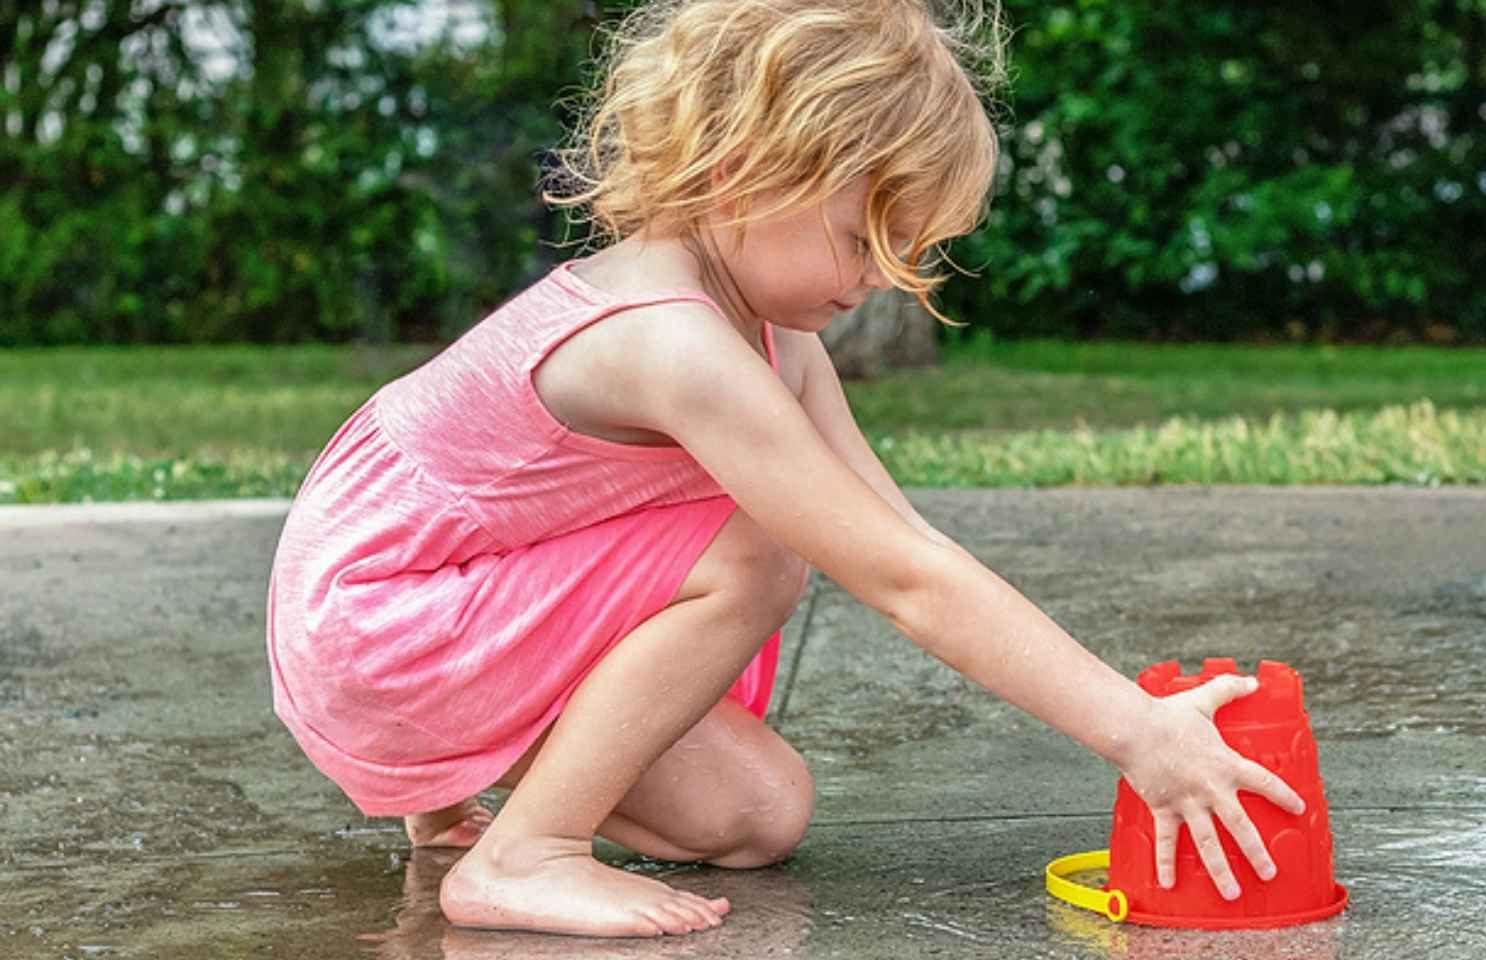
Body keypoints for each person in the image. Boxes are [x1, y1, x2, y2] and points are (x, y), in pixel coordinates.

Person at [265, 0, 1303, 939]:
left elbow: (909, 544)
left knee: (759, 816)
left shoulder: (772, 337)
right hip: (379, 625)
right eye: (861, 239)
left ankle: (451, 798)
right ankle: (524, 854)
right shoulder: (668, 340)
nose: (876, 280)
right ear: (739, 168)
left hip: (414, 623)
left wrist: (1127, 714)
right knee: (760, 549)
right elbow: (898, 582)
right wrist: (1135, 733)